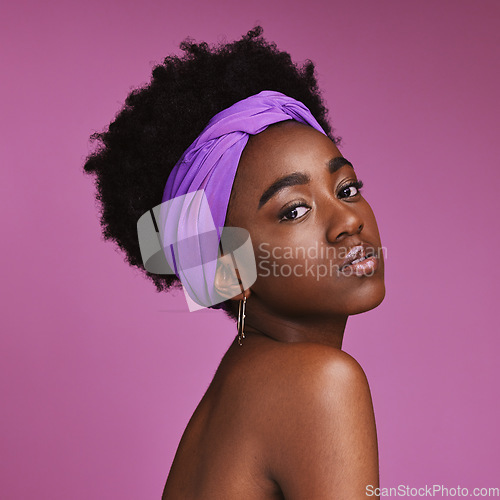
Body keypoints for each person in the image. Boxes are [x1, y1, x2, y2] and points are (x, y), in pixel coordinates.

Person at [84, 26, 385, 499]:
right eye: (295, 210)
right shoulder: (320, 382)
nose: (348, 219)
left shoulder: (238, 385)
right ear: (231, 272)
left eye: (346, 188)